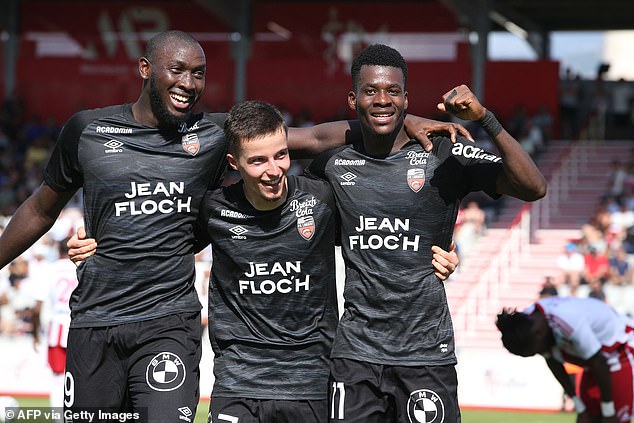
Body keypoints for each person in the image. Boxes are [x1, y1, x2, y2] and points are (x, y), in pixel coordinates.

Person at [0, 30, 467, 421]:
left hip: (170, 320)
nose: (188, 83)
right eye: (176, 70)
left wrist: (402, 121)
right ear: (145, 69)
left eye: (198, 73)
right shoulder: (87, 131)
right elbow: (42, 208)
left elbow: (318, 136)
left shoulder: (213, 133)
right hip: (96, 320)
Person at [305, 44, 546, 422]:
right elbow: (274, 151)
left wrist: (486, 119)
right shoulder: (332, 164)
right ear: (353, 99)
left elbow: (533, 187)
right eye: (370, 92)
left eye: (393, 92)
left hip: (426, 355)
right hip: (355, 357)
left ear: (406, 98)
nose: (382, 100)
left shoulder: (446, 154)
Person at [496, 296, 634, 422]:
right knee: (589, 418)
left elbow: (598, 361)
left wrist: (608, 412)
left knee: (614, 418)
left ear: (539, 334)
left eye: (536, 352)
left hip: (621, 350)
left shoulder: (568, 320)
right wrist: (581, 408)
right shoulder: (528, 325)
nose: (541, 354)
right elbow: (552, 361)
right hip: (594, 362)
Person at [30, 237, 78, 419]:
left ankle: (59, 418)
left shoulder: (49, 269)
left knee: (58, 380)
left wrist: (35, 333)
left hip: (57, 328)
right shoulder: (84, 265)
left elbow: (37, 306)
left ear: (57, 251)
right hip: (81, 326)